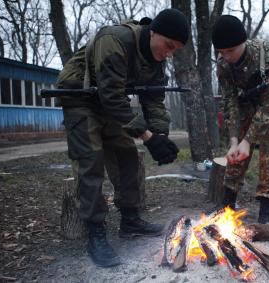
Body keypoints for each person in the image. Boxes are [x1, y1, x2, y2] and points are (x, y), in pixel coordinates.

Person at [56, 9, 189, 267]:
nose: (169, 53)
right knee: (91, 162)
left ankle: (130, 220)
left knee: (126, 155)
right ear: (153, 32)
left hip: (109, 101)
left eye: (175, 50)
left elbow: (155, 98)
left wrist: (160, 136)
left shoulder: (157, 59)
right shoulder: (114, 41)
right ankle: (96, 232)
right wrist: (147, 136)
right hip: (80, 98)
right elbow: (112, 97)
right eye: (168, 45)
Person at [211, 15, 269, 224]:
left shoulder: (268, 55)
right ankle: (227, 205)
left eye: (231, 50)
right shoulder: (223, 65)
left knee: (268, 157)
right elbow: (230, 103)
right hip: (244, 105)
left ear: (243, 42)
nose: (226, 56)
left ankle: (265, 212)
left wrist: (248, 141)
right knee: (236, 155)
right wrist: (236, 140)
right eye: (221, 52)